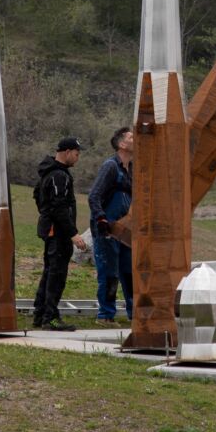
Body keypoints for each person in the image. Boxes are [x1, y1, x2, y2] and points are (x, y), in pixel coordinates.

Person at [31, 136, 89, 331]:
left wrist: (44, 213)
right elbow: (59, 207)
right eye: (76, 154)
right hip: (58, 232)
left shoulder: (50, 172)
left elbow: (36, 194)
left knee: (49, 272)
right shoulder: (59, 176)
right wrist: (73, 233)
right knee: (57, 275)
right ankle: (51, 318)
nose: (77, 158)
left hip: (52, 230)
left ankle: (39, 314)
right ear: (67, 152)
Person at [87, 126, 136, 323]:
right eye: (132, 137)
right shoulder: (111, 166)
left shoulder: (131, 168)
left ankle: (135, 314)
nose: (136, 139)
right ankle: (106, 315)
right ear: (122, 144)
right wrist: (101, 218)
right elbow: (94, 196)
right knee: (109, 272)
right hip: (107, 230)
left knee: (129, 272)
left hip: (124, 229)